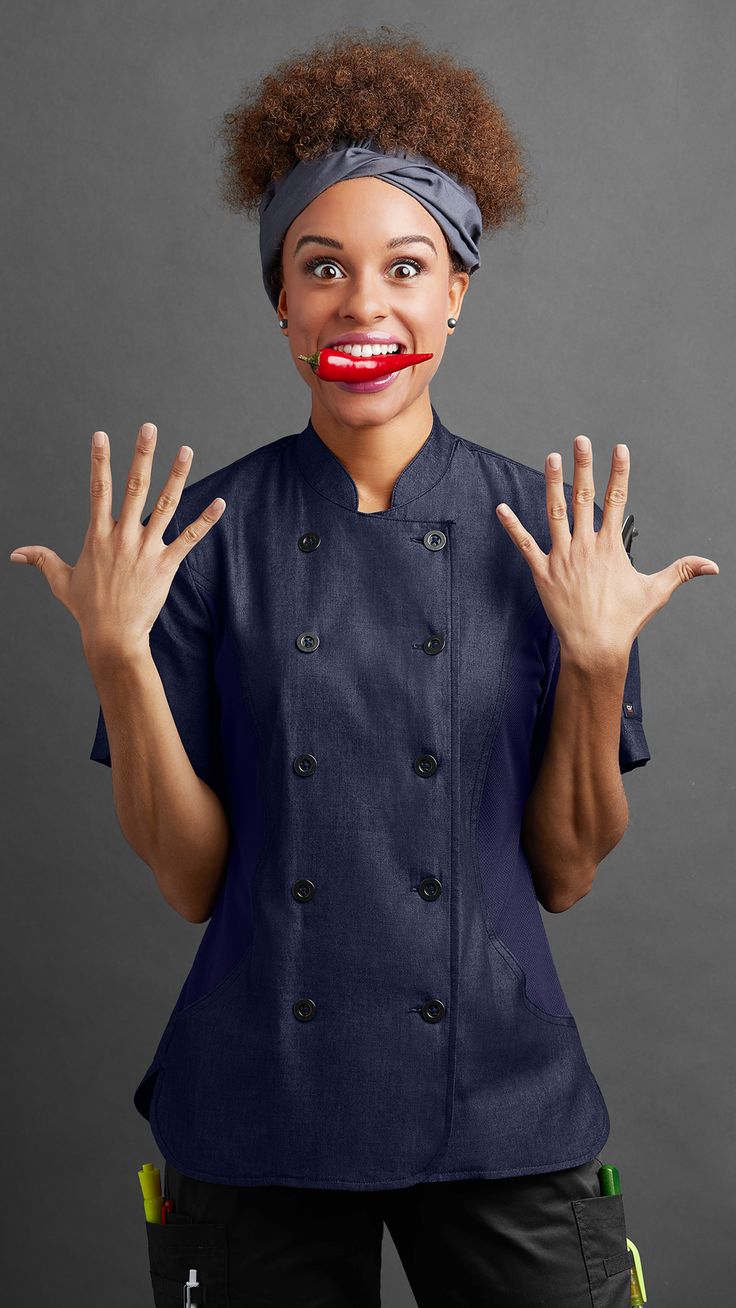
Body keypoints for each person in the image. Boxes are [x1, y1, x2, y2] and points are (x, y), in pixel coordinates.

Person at [10, 24, 719, 1308]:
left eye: (408, 267)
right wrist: (118, 655)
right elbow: (187, 882)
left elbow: (564, 874)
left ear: (458, 290)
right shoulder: (197, 545)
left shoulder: (555, 533)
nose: (364, 306)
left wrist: (598, 660)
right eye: (321, 267)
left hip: (502, 1099)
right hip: (259, 1109)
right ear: (281, 298)